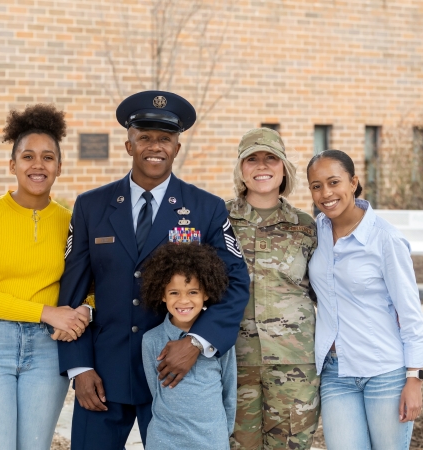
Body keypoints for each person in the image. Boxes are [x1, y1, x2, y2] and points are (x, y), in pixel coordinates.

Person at [56, 90, 250, 449]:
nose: (154, 146)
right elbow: (72, 294)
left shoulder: (205, 208)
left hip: (175, 372)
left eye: (165, 139)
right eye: (144, 137)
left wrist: (196, 342)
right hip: (103, 374)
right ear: (129, 144)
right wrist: (79, 368)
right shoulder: (91, 206)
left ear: (177, 147)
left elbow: (236, 285)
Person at [0, 104, 90, 450]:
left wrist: (84, 312)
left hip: (47, 349)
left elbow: (89, 285)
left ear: (59, 168)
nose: (38, 165)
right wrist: (47, 312)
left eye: (48, 157)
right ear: (12, 165)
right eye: (28, 156)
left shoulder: (69, 221)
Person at [306, 150, 423, 450]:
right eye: (316, 186)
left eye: (334, 182)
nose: (326, 193)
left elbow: (411, 313)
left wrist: (415, 379)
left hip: (384, 373)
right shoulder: (315, 232)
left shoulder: (385, 239)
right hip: (336, 373)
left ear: (354, 182)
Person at [226, 128, 321, 449]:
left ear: (284, 168)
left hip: (295, 361)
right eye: (252, 159)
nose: (261, 166)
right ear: (241, 168)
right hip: (235, 359)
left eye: (271, 158)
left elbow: (325, 289)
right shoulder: (219, 219)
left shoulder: (305, 225)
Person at [140, 243, 237, 450]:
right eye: (174, 293)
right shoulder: (151, 340)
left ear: (206, 294)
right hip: (164, 440)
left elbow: (229, 391)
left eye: (193, 292)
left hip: (211, 440)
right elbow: (155, 392)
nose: (183, 300)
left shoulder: (218, 339)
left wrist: (223, 433)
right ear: (163, 295)